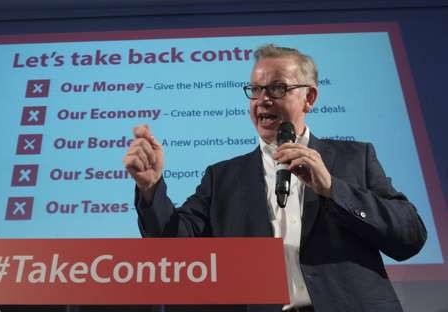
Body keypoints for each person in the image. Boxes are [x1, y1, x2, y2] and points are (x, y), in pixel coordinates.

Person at [123, 44, 427, 312]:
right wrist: (150, 189)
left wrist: (333, 189)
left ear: (309, 97)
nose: (263, 99)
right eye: (255, 90)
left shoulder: (354, 158)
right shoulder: (222, 177)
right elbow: (173, 246)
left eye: (278, 88)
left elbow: (410, 236)